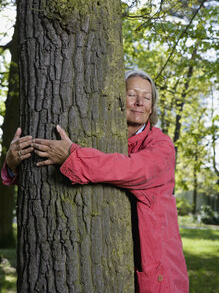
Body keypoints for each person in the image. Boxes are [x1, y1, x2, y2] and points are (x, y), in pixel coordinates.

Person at [1, 69, 189, 293]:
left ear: (152, 106)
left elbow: (133, 170)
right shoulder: (100, 136)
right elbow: (47, 183)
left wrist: (73, 156)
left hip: (160, 273)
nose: (139, 102)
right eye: (132, 94)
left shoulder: (161, 145)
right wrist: (12, 164)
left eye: (147, 97)